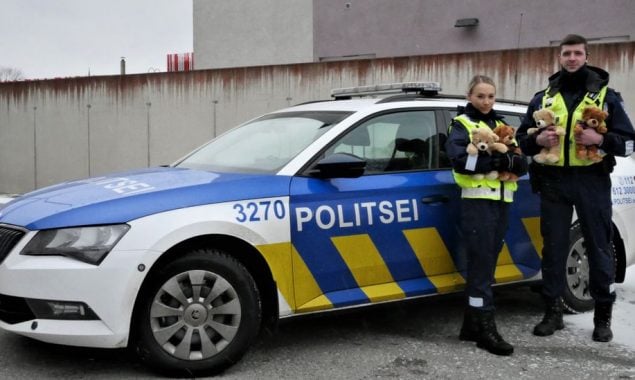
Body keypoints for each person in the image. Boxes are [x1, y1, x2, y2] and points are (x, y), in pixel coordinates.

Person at [516, 34, 635, 342]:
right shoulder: (543, 98)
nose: (571, 58)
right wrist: (537, 141)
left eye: (577, 53)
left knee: (598, 247)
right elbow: (520, 139)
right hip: (553, 181)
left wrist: (601, 141)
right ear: (559, 57)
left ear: (586, 55)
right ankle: (553, 313)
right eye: (566, 53)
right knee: (553, 248)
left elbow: (630, 142)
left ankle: (603, 317)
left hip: (591, 180)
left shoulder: (607, 96)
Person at [445, 75, 528, 356]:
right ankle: (485, 329)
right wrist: (494, 160)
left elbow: (520, 161)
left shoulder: (501, 124)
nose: (486, 101)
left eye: (491, 96)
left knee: (487, 266)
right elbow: (460, 161)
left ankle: (470, 325)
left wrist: (514, 161)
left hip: (502, 203)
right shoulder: (462, 125)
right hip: (478, 204)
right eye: (480, 96)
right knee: (481, 266)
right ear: (469, 96)